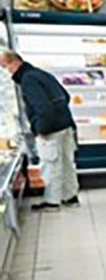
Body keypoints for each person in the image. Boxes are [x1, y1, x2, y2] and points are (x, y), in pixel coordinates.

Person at [1, 49, 79, 210]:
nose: (6, 71)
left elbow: (42, 107)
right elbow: (66, 95)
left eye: (5, 66)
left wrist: (40, 128)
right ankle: (70, 197)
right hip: (65, 125)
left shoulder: (28, 79)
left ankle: (52, 201)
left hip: (50, 128)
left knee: (50, 164)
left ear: (14, 63)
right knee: (67, 163)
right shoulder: (41, 74)